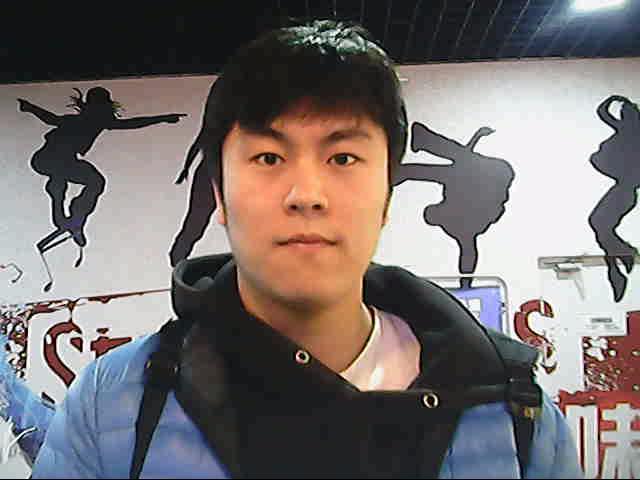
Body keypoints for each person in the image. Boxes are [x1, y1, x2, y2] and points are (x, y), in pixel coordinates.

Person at [30, 20, 582, 478]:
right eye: (269, 158)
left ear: (387, 195)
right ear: (220, 195)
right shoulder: (114, 405)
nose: (306, 195)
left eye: (342, 158)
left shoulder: (514, 409)